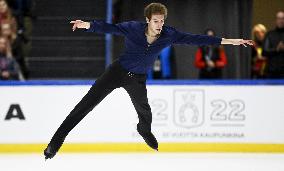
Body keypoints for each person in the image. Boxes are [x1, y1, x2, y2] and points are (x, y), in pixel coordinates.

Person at [44, 3, 253, 160]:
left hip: (138, 79)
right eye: (156, 21)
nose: (160, 25)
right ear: (147, 20)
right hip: (117, 72)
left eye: (162, 21)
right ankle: (55, 144)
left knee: (146, 112)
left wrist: (233, 41)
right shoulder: (133, 28)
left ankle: (143, 130)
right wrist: (85, 25)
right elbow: (109, 27)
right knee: (85, 106)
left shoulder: (169, 35)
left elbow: (198, 39)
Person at [262, 10, 284, 78]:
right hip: (271, 73)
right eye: (279, 18)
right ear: (276, 20)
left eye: (283, 18)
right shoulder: (269, 34)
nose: (281, 20)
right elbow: (264, 52)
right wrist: (277, 49)